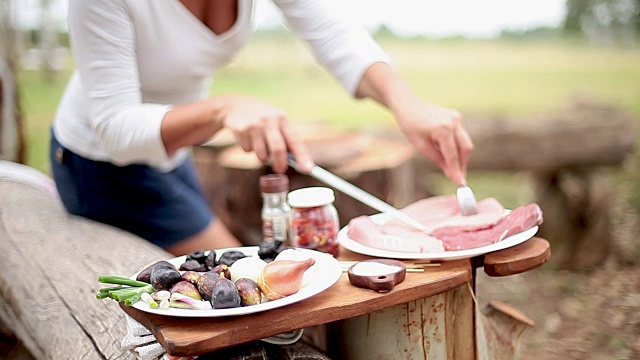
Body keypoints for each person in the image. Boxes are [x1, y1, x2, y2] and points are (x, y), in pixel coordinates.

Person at [50, 0, 473, 256]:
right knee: (234, 284)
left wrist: (408, 106)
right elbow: (116, 128)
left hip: (171, 146)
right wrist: (224, 109)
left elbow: (333, 33)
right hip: (99, 163)